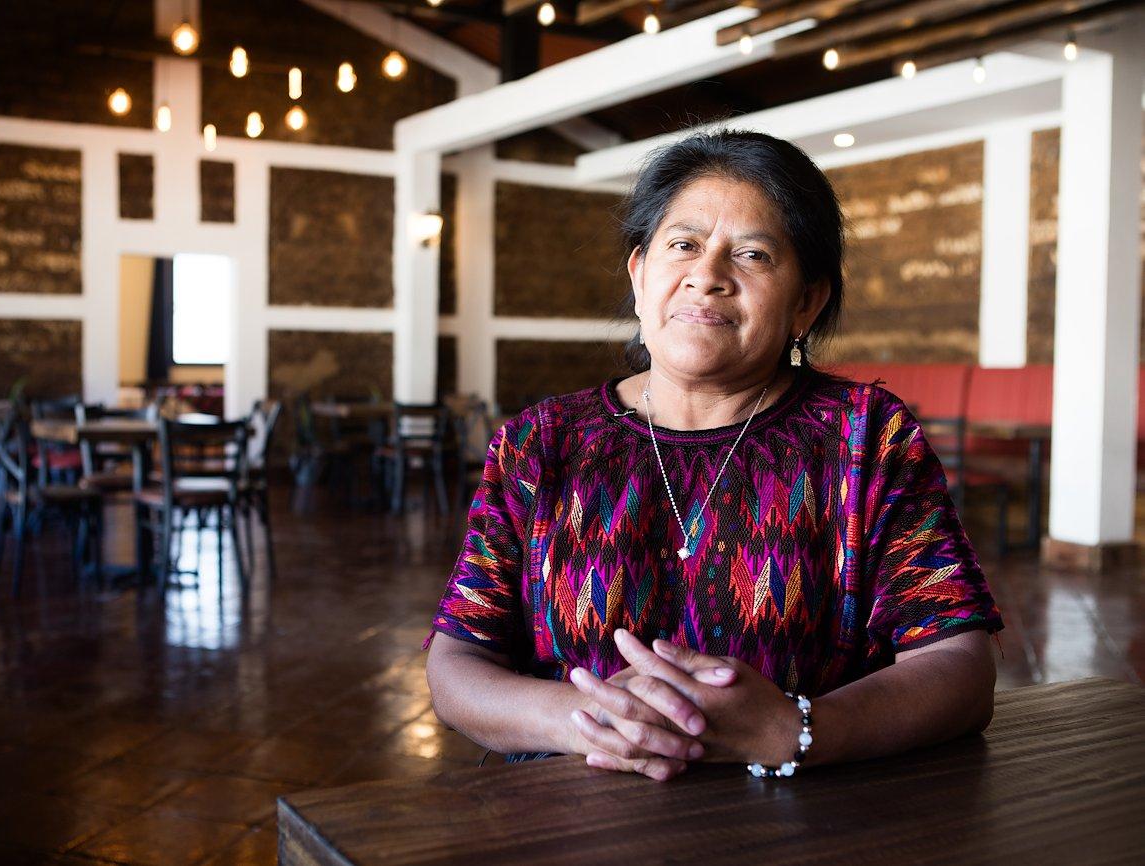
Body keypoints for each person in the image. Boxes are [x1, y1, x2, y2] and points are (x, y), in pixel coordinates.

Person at [425, 130, 1004, 782]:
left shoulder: (866, 439)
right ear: (641, 276)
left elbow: (960, 665)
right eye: (684, 245)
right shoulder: (541, 443)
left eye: (752, 254)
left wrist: (792, 728)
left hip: (805, 825)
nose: (708, 275)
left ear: (805, 303)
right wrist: (587, 719)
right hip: (568, 823)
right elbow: (456, 663)